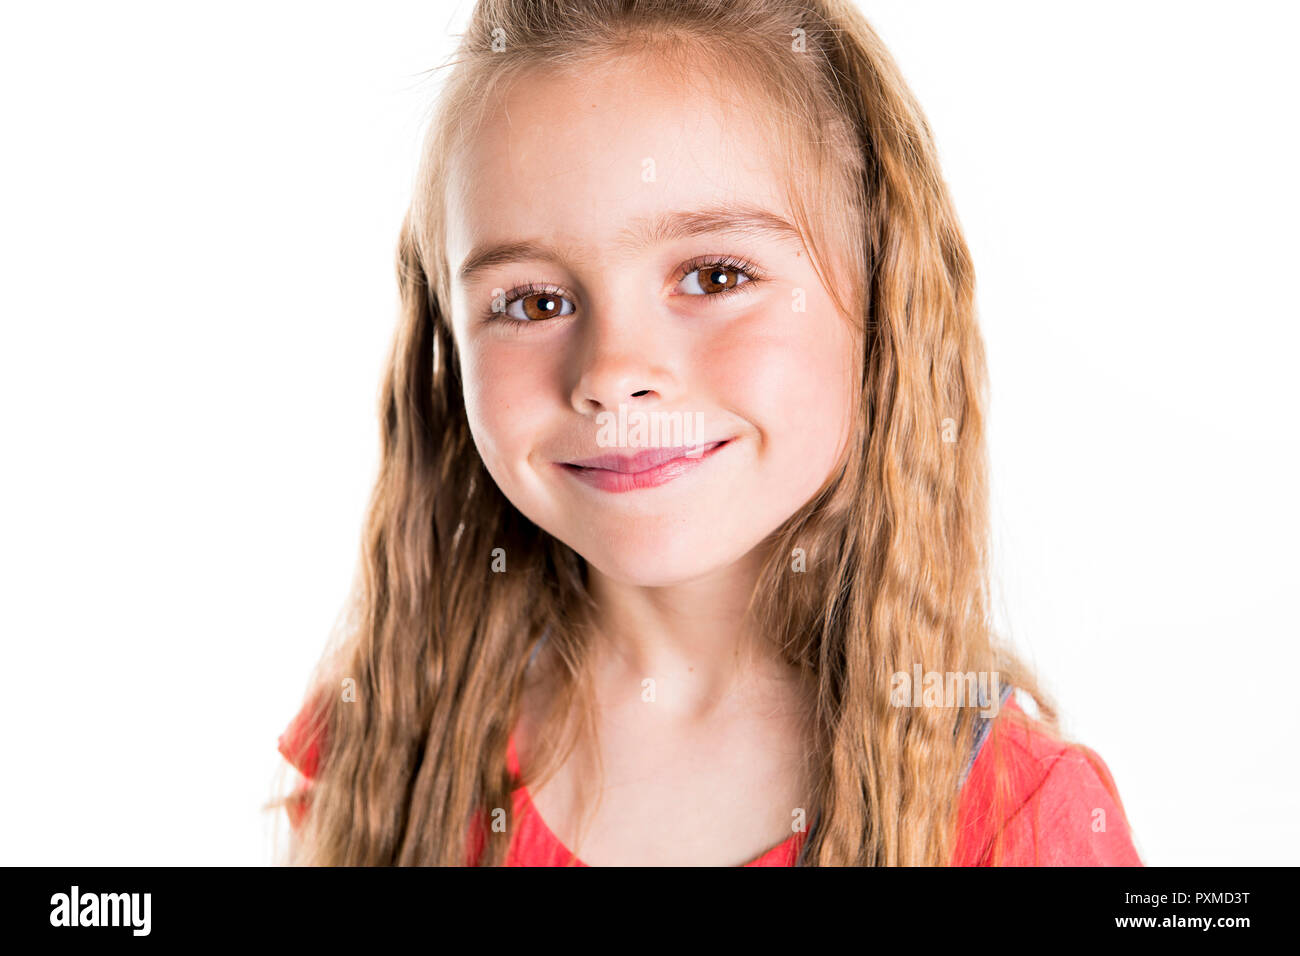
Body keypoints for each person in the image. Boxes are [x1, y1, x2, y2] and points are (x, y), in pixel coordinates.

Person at [271, 0, 1142, 867]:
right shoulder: (387, 749)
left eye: (714, 275)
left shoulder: (1016, 821)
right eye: (534, 302)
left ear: (883, 292)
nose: (614, 374)